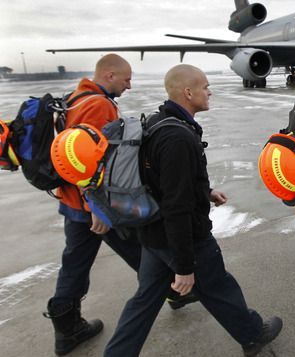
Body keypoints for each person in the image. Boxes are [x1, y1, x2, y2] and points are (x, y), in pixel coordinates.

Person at [103, 64, 282, 357]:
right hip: (183, 238)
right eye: (205, 87)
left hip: (153, 235)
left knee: (143, 301)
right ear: (188, 92)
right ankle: (253, 335)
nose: (210, 91)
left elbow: (162, 181)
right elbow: (177, 205)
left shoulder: (160, 122)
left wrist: (205, 192)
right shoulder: (178, 138)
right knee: (219, 288)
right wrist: (184, 266)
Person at [42, 54, 165, 356]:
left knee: (75, 263)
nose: (130, 85)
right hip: (95, 206)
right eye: (126, 79)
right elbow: (95, 163)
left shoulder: (76, 98)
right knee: (145, 251)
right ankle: (173, 289)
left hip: (73, 201)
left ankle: (67, 330)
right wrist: (96, 207)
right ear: (109, 75)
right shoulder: (98, 105)